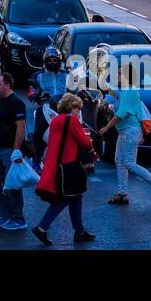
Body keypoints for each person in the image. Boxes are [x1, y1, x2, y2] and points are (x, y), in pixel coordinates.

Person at [31, 92, 97, 245]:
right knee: (65, 199)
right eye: (78, 108)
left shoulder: (56, 120)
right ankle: (42, 227)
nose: (79, 111)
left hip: (57, 165)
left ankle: (79, 231)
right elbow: (84, 142)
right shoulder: (71, 120)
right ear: (72, 107)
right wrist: (88, 137)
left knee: (76, 197)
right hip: (69, 166)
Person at [99, 62, 151, 205]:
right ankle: (122, 194)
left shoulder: (130, 91)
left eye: (119, 73)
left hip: (130, 131)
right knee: (120, 162)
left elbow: (121, 114)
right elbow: (119, 107)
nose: (117, 76)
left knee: (129, 163)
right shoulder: (125, 92)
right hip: (124, 131)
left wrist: (106, 127)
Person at [0, 73, 28, 231]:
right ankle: (5, 212)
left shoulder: (16, 103)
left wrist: (16, 149)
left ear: (8, 85)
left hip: (10, 149)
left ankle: (18, 218)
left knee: (12, 185)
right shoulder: (1, 101)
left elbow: (21, 127)